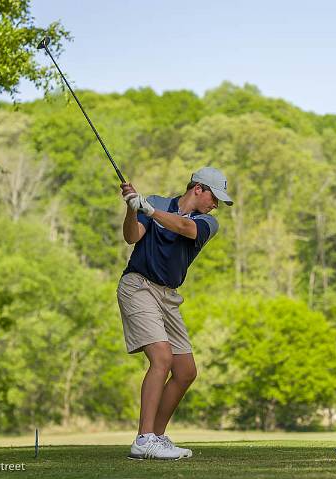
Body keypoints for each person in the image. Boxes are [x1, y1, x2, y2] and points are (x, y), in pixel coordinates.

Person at [117, 166, 233, 460]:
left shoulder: (207, 222)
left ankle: (156, 436)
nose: (215, 205)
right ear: (198, 188)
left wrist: (148, 209)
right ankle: (144, 440)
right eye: (214, 197)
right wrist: (133, 209)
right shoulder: (155, 202)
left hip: (168, 297)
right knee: (162, 357)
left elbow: (185, 229)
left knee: (185, 371)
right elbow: (132, 237)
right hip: (138, 286)